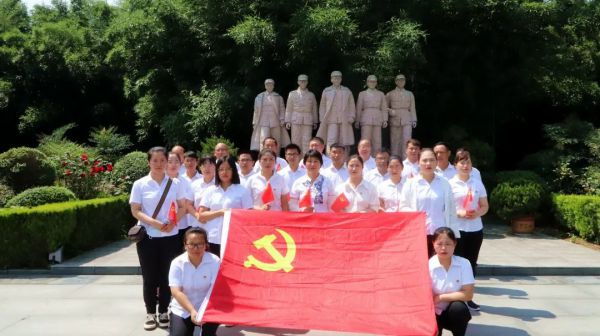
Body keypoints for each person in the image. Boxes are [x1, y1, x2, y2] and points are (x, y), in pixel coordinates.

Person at [129, 147, 188, 330]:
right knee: (149, 277)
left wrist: (174, 222)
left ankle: (163, 311)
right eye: (155, 160)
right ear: (149, 162)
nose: (159, 164)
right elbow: (135, 210)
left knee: (166, 277)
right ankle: (150, 313)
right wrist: (153, 223)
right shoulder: (140, 184)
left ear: (167, 162)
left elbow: (183, 207)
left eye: (163, 160)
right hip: (148, 237)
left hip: (170, 236)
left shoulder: (175, 183)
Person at [399, 148, 459, 257]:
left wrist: (453, 232)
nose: (428, 163)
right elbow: (403, 207)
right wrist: (417, 216)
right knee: (420, 264)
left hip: (441, 234)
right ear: (419, 162)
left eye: (431, 160)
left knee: (438, 265)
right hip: (418, 232)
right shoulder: (410, 184)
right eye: (425, 160)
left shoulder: (444, 183)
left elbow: (451, 210)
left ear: (436, 162)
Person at [449, 150, 489, 311]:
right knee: (456, 263)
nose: (465, 166)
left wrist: (477, 213)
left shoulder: (477, 183)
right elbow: (447, 207)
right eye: (462, 162)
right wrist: (460, 213)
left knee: (471, 263)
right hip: (457, 229)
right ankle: (455, 297)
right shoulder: (450, 184)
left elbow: (485, 206)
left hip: (475, 228)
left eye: (468, 162)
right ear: (455, 165)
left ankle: (469, 296)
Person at [168, 227, 220, 336]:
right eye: (191, 244)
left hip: (208, 308)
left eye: (200, 244)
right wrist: (192, 311)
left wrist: (204, 311)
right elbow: (176, 292)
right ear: (185, 245)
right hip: (183, 309)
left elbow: (216, 290)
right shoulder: (177, 263)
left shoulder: (215, 261)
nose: (196, 248)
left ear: (206, 245)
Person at [197, 156, 252, 257]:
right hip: (213, 238)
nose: (224, 172)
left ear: (233, 170)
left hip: (234, 238)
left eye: (228, 169)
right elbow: (201, 215)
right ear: (217, 172)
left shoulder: (242, 190)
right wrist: (221, 212)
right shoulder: (211, 190)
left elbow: (249, 216)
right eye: (221, 169)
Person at [429, 227, 474, 336]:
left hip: (453, 312)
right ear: (433, 243)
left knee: (459, 308)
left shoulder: (464, 263)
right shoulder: (426, 266)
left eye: (448, 244)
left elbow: (468, 294)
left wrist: (441, 297)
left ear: (455, 244)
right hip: (432, 313)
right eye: (439, 244)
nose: (444, 248)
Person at [316, 71, 356, 152]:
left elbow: (352, 105)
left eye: (338, 77)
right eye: (334, 77)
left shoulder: (347, 91)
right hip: (331, 119)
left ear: (341, 79)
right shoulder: (327, 91)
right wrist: (322, 118)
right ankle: (329, 159)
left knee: (344, 140)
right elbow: (322, 106)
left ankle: (344, 160)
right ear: (331, 79)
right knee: (331, 139)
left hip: (344, 119)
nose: (337, 79)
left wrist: (352, 116)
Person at [250, 79, 290, 150]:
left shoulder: (278, 97)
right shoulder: (259, 97)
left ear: (273, 86)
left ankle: (277, 156)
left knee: (277, 140)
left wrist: (282, 119)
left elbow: (282, 109)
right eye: (267, 84)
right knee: (263, 139)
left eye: (271, 84)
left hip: (275, 121)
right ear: (265, 86)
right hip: (263, 121)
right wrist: (254, 122)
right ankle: (263, 156)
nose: (269, 86)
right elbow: (256, 111)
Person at [166, 152, 195, 244]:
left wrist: (174, 220)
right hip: (162, 224)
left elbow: (188, 204)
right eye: (170, 162)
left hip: (182, 224)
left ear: (181, 164)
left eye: (176, 162)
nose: (173, 165)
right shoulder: (160, 181)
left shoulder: (185, 182)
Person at [285, 74, 319, 154]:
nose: (303, 82)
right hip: (295, 119)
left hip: (307, 119)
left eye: (304, 81)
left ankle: (306, 159)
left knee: (307, 140)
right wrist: (288, 121)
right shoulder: (292, 94)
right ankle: (296, 158)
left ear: (307, 82)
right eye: (301, 81)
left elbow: (314, 109)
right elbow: (289, 108)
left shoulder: (311, 95)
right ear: (298, 82)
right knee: (295, 140)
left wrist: (315, 121)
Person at [386, 74, 417, 157]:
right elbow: (384, 107)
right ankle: (395, 159)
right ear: (396, 82)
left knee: (407, 140)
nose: (401, 82)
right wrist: (390, 111)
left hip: (407, 118)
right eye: (399, 80)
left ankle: (406, 159)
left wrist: (414, 119)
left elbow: (412, 108)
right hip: (395, 119)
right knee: (395, 141)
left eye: (403, 80)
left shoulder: (410, 94)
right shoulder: (390, 94)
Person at [355, 75, 388, 152]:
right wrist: (357, 120)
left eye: (374, 81)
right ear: (367, 82)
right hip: (366, 117)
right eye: (370, 81)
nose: (372, 83)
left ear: (376, 83)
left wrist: (385, 119)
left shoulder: (381, 94)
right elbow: (359, 107)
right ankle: (364, 158)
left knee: (377, 140)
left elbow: (384, 108)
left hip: (377, 117)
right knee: (365, 139)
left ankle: (376, 158)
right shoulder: (362, 94)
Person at [189, 156, 216, 228]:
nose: (207, 168)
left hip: (215, 224)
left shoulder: (220, 184)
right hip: (198, 224)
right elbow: (188, 204)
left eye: (210, 165)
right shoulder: (195, 184)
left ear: (215, 167)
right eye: (204, 165)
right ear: (200, 168)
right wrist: (198, 216)